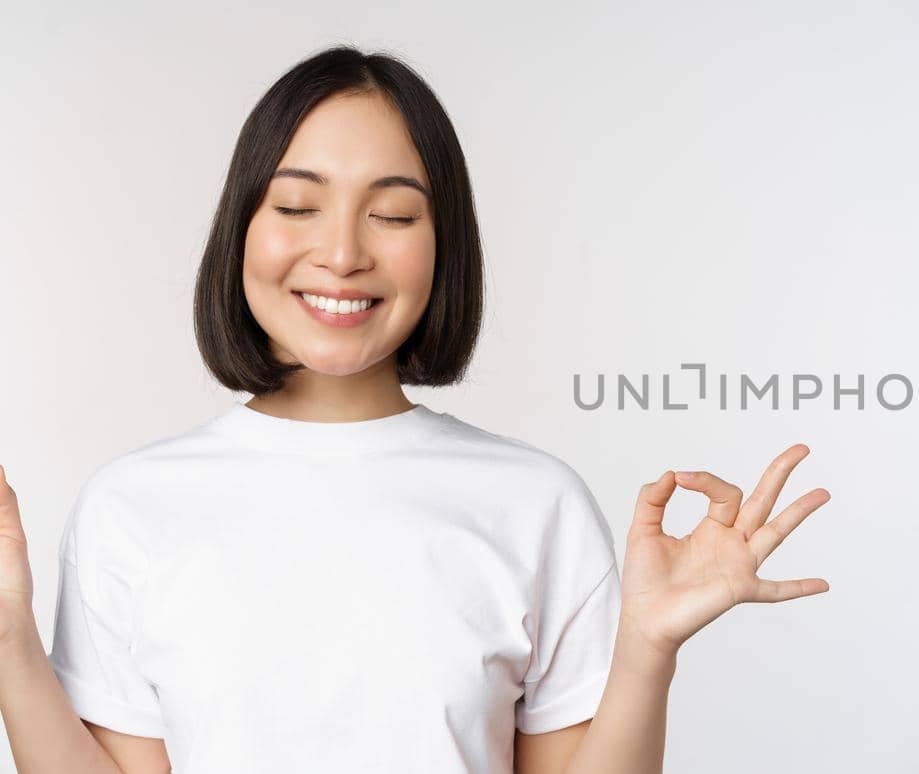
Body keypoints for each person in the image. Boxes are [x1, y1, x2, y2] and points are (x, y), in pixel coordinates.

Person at [0, 45, 831, 774]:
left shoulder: (533, 501)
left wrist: (646, 649)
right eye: (296, 206)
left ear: (444, 245)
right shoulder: (132, 506)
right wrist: (7, 640)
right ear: (242, 230)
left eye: (393, 214)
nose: (342, 252)